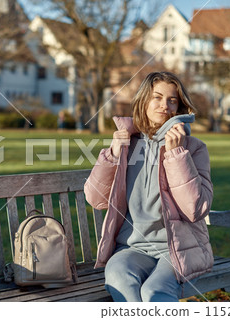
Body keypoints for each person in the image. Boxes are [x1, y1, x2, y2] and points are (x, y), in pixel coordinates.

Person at [84, 71, 214, 302]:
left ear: (179, 106)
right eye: (157, 97)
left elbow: (195, 209)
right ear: (144, 100)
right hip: (131, 249)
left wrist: (176, 154)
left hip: (175, 251)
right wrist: (113, 154)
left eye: (172, 100)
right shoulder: (126, 144)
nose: (165, 105)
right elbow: (96, 199)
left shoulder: (193, 148)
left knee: (154, 293)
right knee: (119, 278)